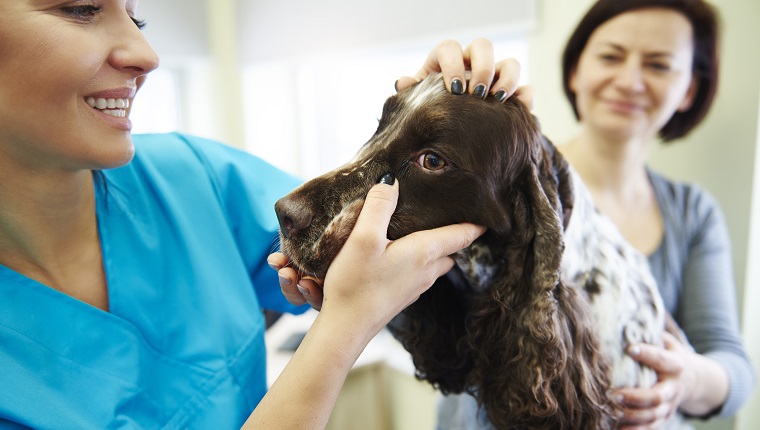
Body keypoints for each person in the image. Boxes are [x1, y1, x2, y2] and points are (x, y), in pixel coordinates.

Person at [0, 2, 518, 429]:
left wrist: (473, 141)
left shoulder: (193, 180)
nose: (146, 54)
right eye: (80, 8)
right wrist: (342, 327)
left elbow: (417, 274)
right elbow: (357, 301)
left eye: (137, 18)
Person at [364, 1, 753, 429]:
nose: (630, 80)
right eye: (611, 56)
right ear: (574, 71)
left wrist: (689, 379)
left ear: (689, 91)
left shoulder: (691, 212)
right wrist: (428, 115)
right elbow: (401, 310)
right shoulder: (491, 182)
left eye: (659, 65)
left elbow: (734, 368)